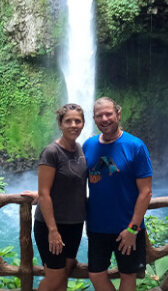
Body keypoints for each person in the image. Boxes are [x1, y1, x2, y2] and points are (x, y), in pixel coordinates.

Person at [83, 97, 153, 291]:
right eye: (99, 115)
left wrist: (132, 229)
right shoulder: (88, 146)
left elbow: (146, 192)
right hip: (97, 226)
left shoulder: (135, 146)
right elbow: (73, 179)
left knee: (128, 277)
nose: (105, 119)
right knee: (96, 275)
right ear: (94, 119)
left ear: (118, 114)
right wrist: (43, 192)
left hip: (128, 228)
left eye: (109, 114)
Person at [32, 103, 88, 291]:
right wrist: (53, 231)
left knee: (64, 274)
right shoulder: (52, 152)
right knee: (54, 278)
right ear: (60, 123)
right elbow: (45, 192)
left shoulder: (80, 149)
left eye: (78, 121)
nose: (74, 125)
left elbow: (67, 184)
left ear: (83, 124)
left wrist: (39, 192)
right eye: (68, 121)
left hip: (75, 223)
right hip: (52, 225)